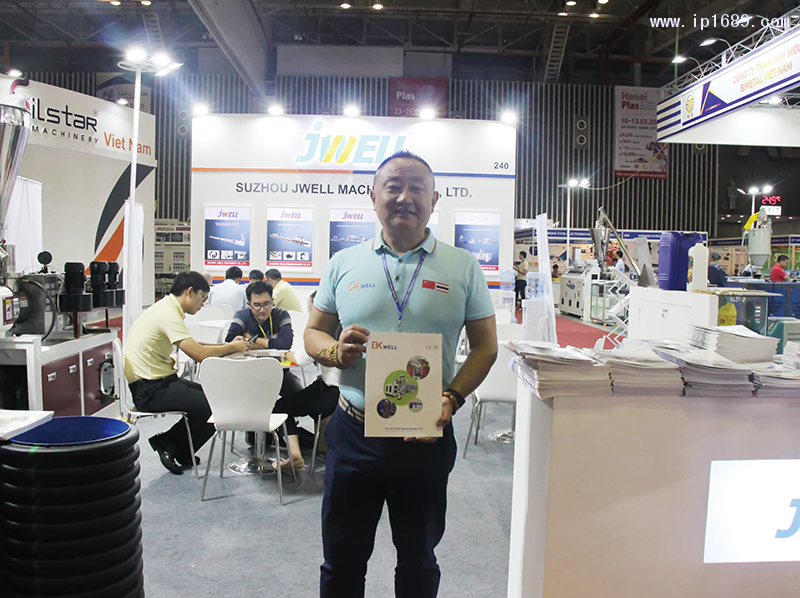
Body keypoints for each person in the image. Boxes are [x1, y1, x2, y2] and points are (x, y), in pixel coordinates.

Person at [305, 150, 498, 598]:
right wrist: (335, 352)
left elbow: (486, 346)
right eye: (393, 186)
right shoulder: (343, 263)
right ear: (373, 196)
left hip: (425, 437)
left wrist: (451, 397)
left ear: (435, 200)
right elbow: (313, 333)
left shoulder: (463, 266)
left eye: (417, 188)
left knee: (418, 560)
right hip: (353, 434)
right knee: (341, 561)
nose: (404, 197)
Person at [125, 271, 250, 474]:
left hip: (158, 382)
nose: (203, 304)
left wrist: (227, 346)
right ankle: (168, 442)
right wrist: (231, 348)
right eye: (202, 297)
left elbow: (194, 345)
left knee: (216, 399)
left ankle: (181, 450)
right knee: (214, 407)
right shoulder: (168, 314)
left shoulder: (167, 308)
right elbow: (199, 355)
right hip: (150, 389)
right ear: (189, 292)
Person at [275, 292, 340, 473]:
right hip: (332, 389)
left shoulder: (324, 332)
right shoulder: (343, 327)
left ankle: (295, 455)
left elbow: (301, 358)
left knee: (279, 408)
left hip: (332, 392)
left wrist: (285, 354)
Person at [224, 280, 303, 399]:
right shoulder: (241, 315)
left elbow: (285, 344)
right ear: (249, 304)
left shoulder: (281, 315)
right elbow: (231, 340)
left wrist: (251, 340)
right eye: (257, 305)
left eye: (267, 304)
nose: (262, 310)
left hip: (278, 369)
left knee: (298, 396)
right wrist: (272, 343)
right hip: (247, 371)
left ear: (272, 301)